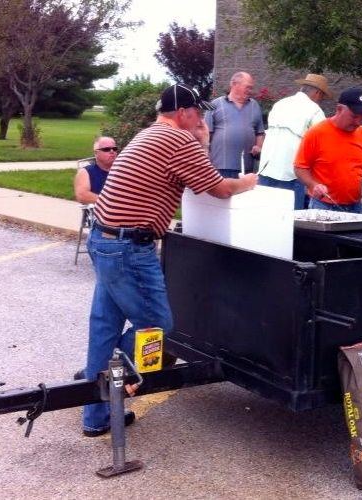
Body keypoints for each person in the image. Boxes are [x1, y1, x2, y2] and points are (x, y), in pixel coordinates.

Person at [80, 83, 257, 437]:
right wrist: (248, 182)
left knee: (105, 326)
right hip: (130, 247)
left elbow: (193, 176)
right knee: (158, 326)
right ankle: (110, 374)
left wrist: (201, 141)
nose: (201, 119)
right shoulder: (178, 140)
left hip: (104, 238)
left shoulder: (149, 134)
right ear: (183, 113)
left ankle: (95, 412)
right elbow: (219, 188)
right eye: (198, 113)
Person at [294, 87, 362, 213]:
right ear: (339, 109)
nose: (358, 122)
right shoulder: (317, 133)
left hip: (355, 206)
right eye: (354, 116)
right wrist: (313, 185)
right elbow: (300, 167)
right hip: (323, 205)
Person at [258, 74, 333, 209]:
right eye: (322, 96)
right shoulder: (315, 110)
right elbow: (322, 143)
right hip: (292, 174)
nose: (320, 100)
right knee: (291, 218)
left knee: (265, 215)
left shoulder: (280, 104)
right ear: (317, 93)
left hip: (266, 170)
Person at [205, 71, 265, 178]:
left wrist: (259, 147)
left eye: (251, 88)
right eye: (248, 87)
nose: (250, 91)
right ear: (234, 84)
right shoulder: (215, 104)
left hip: (246, 167)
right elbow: (205, 134)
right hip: (220, 166)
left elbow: (259, 133)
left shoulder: (254, 105)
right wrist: (205, 156)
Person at [73, 136, 117, 204]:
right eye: (106, 149)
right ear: (96, 153)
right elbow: (82, 196)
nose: (112, 151)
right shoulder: (86, 172)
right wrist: (112, 202)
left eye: (114, 149)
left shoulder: (123, 170)